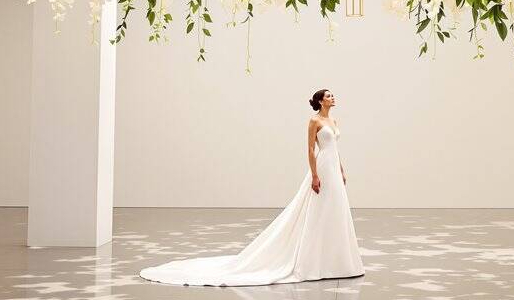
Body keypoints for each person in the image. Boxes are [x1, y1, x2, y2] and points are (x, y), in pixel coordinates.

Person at [139, 89, 365, 286]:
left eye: (332, 95)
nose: (332, 98)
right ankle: (313, 263)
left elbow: (334, 148)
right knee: (318, 211)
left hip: (334, 168)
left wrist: (342, 169)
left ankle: (336, 262)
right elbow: (309, 150)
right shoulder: (314, 121)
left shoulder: (335, 122)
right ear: (320, 101)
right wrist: (314, 175)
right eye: (328, 96)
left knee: (335, 211)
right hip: (323, 168)